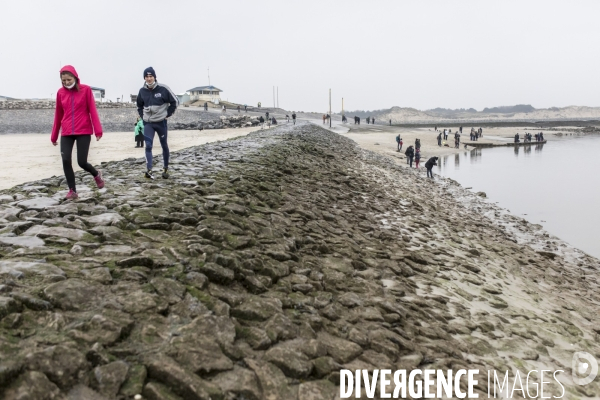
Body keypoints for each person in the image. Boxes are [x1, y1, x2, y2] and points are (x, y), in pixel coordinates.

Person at [51, 65, 105, 200]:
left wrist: (98, 130)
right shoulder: (60, 93)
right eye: (64, 81)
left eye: (69, 80)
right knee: (65, 159)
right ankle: (72, 190)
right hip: (67, 131)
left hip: (84, 130)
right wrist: (54, 135)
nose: (66, 83)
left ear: (75, 77)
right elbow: (58, 114)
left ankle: (96, 174)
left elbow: (92, 110)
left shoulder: (86, 90)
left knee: (82, 162)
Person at [137, 66, 178, 180]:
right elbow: (139, 106)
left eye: (151, 76)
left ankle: (165, 168)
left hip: (161, 123)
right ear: (144, 78)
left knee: (164, 145)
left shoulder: (163, 89)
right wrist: (143, 117)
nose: (149, 79)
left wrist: (167, 114)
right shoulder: (142, 91)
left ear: (155, 77)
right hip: (148, 123)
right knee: (148, 146)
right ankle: (149, 170)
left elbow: (175, 102)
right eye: (147, 76)